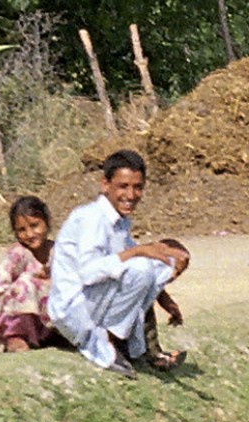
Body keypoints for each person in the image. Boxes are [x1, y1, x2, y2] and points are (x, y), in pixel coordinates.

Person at [49, 153, 190, 374]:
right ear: (105, 185)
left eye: (138, 187)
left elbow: (128, 264)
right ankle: (109, 339)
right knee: (141, 266)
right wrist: (138, 251)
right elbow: (89, 273)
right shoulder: (91, 218)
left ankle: (124, 336)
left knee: (165, 261)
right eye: (123, 186)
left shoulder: (120, 221)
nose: (131, 195)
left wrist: (166, 300)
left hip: (95, 301)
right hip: (74, 308)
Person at [0, 195, 58, 352]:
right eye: (22, 230)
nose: (30, 234)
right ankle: (17, 337)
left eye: (34, 226)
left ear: (47, 222)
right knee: (27, 284)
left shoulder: (57, 251)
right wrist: (33, 283)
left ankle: (56, 334)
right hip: (18, 317)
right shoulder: (18, 254)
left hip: (50, 316)